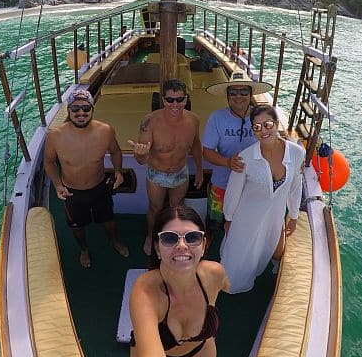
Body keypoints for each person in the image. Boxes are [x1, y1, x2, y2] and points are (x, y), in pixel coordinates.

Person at [220, 104, 305, 294]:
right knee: (237, 260)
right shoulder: (245, 158)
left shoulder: (297, 153)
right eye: (257, 127)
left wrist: (293, 215)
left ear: (276, 124)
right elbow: (233, 191)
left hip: (274, 217)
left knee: (264, 249)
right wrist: (228, 219)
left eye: (267, 124)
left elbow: (295, 185)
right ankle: (230, 287)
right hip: (246, 216)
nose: (263, 131)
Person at [129, 205, 229, 357]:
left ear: (203, 245)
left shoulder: (215, 274)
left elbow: (225, 285)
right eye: (169, 238)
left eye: (192, 237)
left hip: (200, 354)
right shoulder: (145, 291)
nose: (182, 245)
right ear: (157, 248)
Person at [44, 89, 129, 267]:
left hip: (100, 187)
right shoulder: (55, 136)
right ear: (68, 110)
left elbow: (115, 151)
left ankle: (114, 241)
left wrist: (118, 171)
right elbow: (50, 162)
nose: (81, 113)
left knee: (109, 220)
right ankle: (84, 250)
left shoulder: (105, 131)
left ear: (92, 109)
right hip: (71, 193)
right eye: (75, 108)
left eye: (85, 108)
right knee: (77, 227)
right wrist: (58, 184)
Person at [128, 79, 204, 256]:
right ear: (163, 100)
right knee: (155, 208)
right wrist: (140, 154)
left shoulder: (194, 120)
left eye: (179, 99)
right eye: (170, 99)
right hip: (157, 174)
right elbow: (141, 159)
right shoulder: (150, 121)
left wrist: (199, 169)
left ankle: (173, 238)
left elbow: (195, 144)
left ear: (186, 99)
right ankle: (151, 236)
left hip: (181, 172)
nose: (175, 104)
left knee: (176, 208)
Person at [202, 71, 272, 229]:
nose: (238, 96)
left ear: (251, 93)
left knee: (247, 225)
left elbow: (274, 144)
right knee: (213, 225)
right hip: (222, 184)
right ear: (227, 95)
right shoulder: (216, 118)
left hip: (253, 185)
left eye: (243, 91)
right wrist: (227, 162)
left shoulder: (263, 117)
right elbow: (207, 152)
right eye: (233, 92)